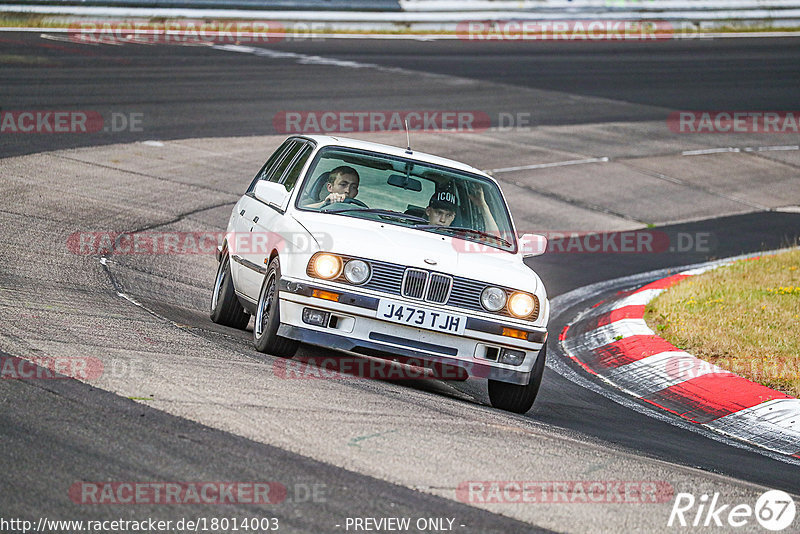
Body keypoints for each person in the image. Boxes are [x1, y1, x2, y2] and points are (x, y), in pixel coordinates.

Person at [425, 185, 499, 235]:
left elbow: (496, 242)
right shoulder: (414, 231)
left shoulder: (459, 240)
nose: (442, 220)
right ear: (428, 211)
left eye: (448, 215)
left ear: (453, 217)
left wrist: (483, 206)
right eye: (438, 213)